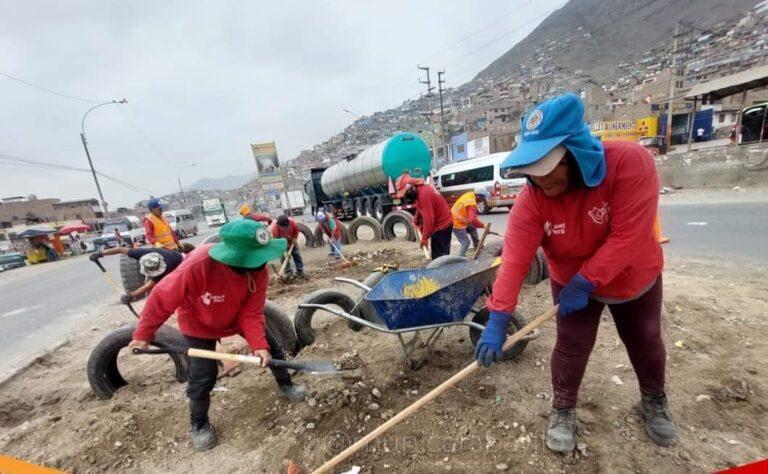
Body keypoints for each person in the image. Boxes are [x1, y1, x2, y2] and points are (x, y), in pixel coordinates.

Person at [474, 93, 675, 453]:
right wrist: (498, 316)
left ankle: (654, 399)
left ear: (576, 155)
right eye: (532, 175)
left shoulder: (630, 163)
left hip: (633, 276)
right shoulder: (533, 200)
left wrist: (588, 280)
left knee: (645, 338)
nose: (540, 183)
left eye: (549, 172)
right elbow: (516, 259)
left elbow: (628, 236)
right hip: (571, 283)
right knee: (570, 347)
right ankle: (563, 409)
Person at [128, 220, 306, 451]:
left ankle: (285, 384)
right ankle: (199, 424)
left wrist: (258, 345)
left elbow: (251, 312)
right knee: (203, 375)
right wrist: (143, 333)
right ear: (233, 255)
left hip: (237, 317)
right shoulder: (199, 264)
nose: (262, 263)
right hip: (198, 322)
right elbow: (162, 297)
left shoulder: (258, 271)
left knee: (272, 349)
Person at [90, 244, 195, 302]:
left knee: (166, 290)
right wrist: (100, 253)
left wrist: (131, 295)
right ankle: (149, 307)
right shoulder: (141, 253)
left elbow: (147, 286)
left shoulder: (168, 267)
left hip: (178, 264)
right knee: (148, 293)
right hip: (160, 258)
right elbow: (120, 249)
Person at [395, 173, 453, 259]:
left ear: (411, 187)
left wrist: (425, 238)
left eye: (405, 192)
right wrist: (417, 217)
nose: (405, 196)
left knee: (440, 258)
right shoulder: (420, 189)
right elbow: (422, 207)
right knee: (439, 257)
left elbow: (429, 219)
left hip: (442, 227)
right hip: (443, 224)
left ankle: (444, 271)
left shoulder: (423, 194)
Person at [450, 191, 486, 257]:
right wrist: (483, 226)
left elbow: (471, 219)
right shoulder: (471, 203)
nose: (479, 203)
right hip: (456, 223)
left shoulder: (470, 195)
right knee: (466, 242)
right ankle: (461, 258)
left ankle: (478, 248)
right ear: (478, 196)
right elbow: (473, 220)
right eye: (480, 200)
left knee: (472, 228)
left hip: (460, 220)